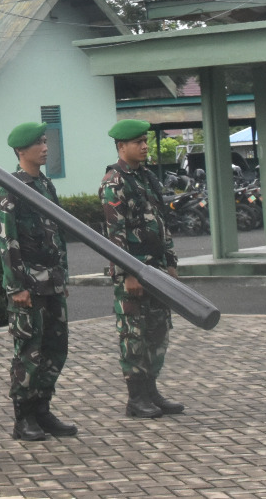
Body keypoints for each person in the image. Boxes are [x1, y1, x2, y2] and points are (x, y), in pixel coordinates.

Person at [0, 121, 77, 442]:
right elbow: (7, 241)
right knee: (29, 351)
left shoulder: (45, 185)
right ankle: (24, 417)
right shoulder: (11, 188)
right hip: (28, 286)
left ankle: (42, 409)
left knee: (56, 349)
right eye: (39, 143)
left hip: (52, 282)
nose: (45, 147)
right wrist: (16, 286)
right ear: (21, 151)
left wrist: (63, 276)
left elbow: (58, 234)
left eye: (45, 142)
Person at [98, 119, 184, 419]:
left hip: (158, 270)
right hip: (135, 273)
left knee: (157, 331)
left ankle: (151, 391)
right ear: (122, 147)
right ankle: (136, 398)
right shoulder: (114, 182)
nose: (145, 146)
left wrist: (171, 263)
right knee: (134, 334)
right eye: (138, 142)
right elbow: (115, 234)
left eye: (145, 141)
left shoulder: (148, 178)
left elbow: (162, 225)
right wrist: (129, 273)